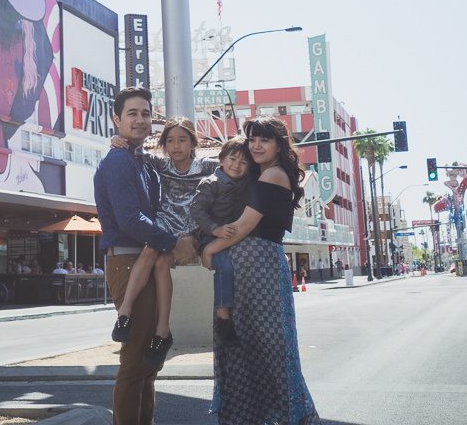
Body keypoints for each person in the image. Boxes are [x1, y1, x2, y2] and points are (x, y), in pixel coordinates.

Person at [203, 116, 319, 425]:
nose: (256, 145)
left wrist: (209, 249)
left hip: (260, 264)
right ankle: (251, 415)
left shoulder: (274, 175)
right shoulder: (261, 173)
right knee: (242, 340)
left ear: (279, 145)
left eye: (264, 140)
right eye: (252, 139)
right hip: (245, 265)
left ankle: (285, 415)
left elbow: (246, 225)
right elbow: (217, 165)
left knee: (267, 344)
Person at [93, 87, 196, 425]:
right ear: (116, 120)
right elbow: (130, 219)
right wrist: (173, 242)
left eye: (145, 113)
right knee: (135, 358)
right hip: (127, 260)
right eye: (132, 114)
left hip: (149, 259)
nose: (139, 120)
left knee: (151, 359)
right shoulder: (119, 160)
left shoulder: (141, 159)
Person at [107, 115, 218, 363]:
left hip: (191, 227)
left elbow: (235, 162)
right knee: (148, 254)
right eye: (170, 141)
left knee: (161, 264)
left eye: (182, 140)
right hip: (166, 222)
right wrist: (115, 139)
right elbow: (134, 151)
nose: (176, 146)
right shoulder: (161, 164)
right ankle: (124, 313)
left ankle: (162, 329)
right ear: (164, 144)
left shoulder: (207, 166)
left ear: (193, 142)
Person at [190, 137, 252, 345]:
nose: (237, 165)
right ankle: (223, 317)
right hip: (210, 235)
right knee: (225, 266)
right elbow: (196, 210)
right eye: (233, 159)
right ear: (221, 160)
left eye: (243, 162)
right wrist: (215, 229)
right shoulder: (211, 183)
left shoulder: (245, 184)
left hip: (234, 234)